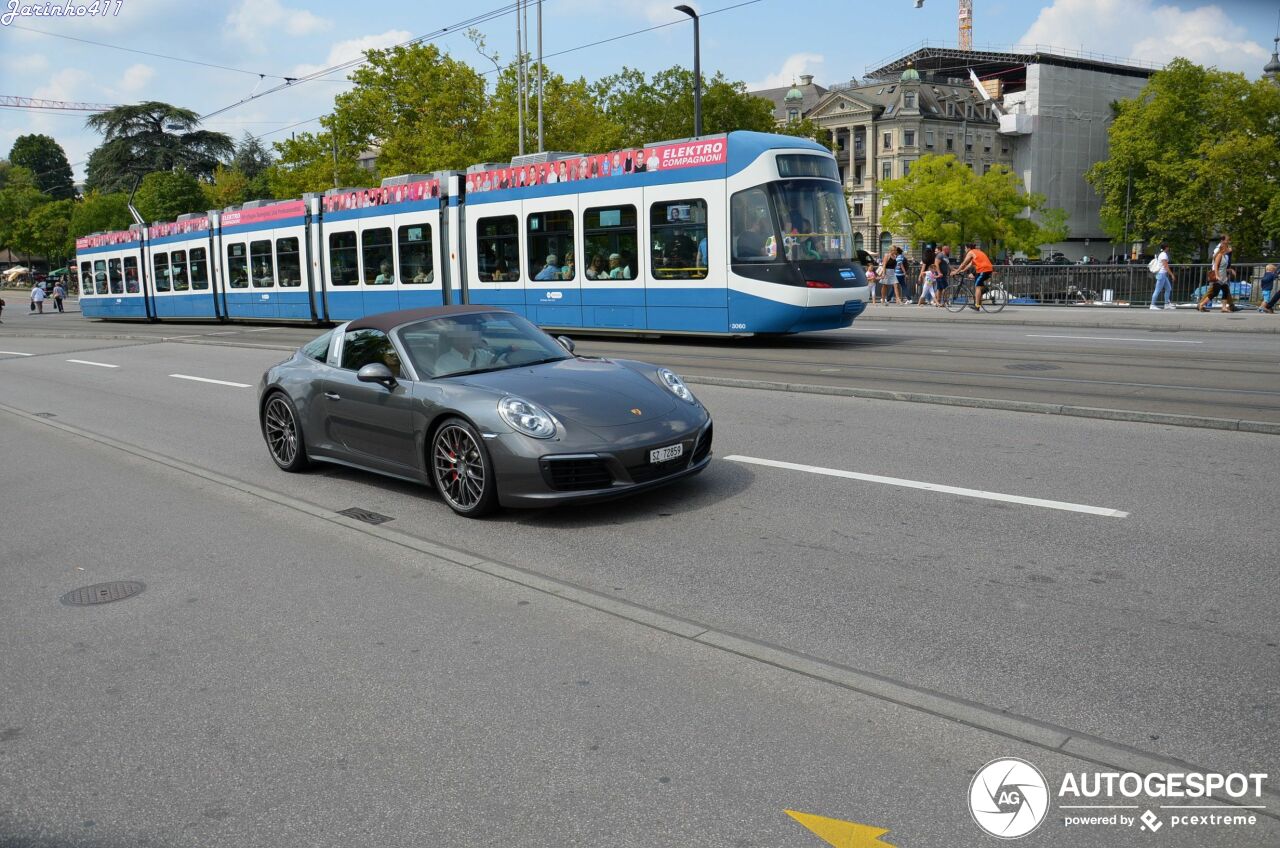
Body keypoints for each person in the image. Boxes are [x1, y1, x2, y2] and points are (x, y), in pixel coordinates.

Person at [1198, 234, 1237, 313]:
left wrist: (1230, 270)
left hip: (1223, 276)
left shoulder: (1224, 256)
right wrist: (1216, 275)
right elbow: (1215, 266)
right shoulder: (1219, 255)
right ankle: (1201, 304)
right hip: (1218, 276)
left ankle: (1224, 307)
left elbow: (1224, 266)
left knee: (1225, 290)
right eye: (1227, 248)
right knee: (1214, 292)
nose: (1228, 249)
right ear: (1223, 248)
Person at [955, 242, 995, 312]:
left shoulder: (970, 252)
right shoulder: (977, 252)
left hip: (983, 270)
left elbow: (964, 263)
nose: (965, 250)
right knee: (979, 286)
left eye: (965, 248)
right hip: (987, 269)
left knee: (977, 287)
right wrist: (962, 270)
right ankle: (983, 292)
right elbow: (970, 264)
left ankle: (976, 306)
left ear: (968, 248)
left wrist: (956, 271)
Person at [1149, 243, 1176, 311]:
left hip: (1163, 274)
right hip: (1161, 274)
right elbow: (1166, 266)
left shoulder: (1162, 254)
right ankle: (1152, 305)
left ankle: (1166, 304)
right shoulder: (1163, 255)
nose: (1168, 248)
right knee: (1157, 290)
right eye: (1168, 247)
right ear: (1166, 248)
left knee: (1168, 288)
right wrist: (1172, 275)